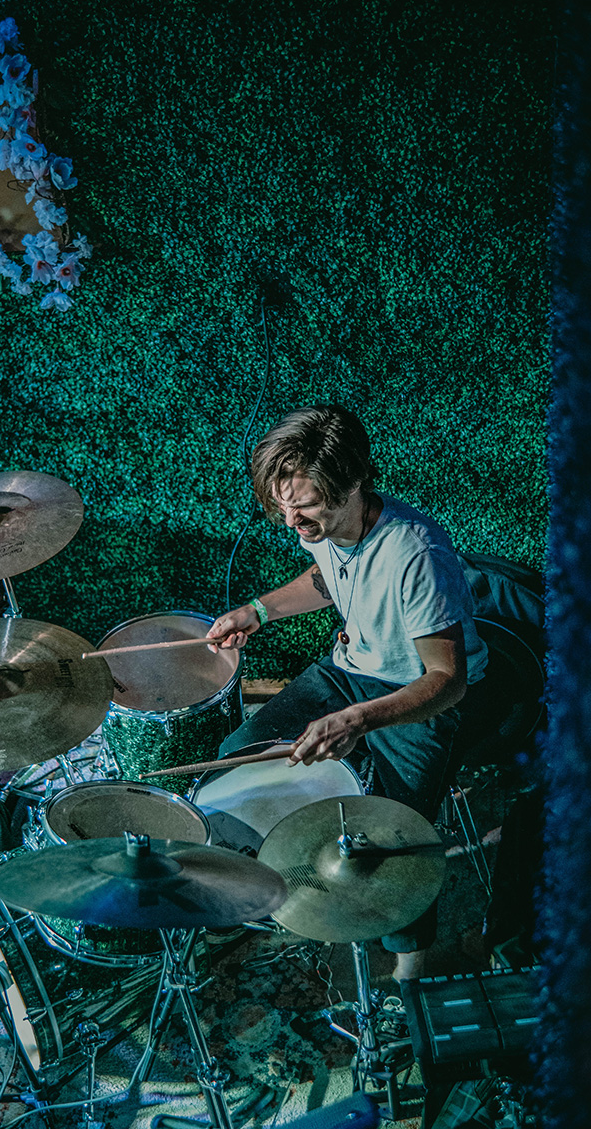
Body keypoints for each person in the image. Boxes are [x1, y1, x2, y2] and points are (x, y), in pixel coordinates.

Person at [207, 403, 489, 981]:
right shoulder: (325, 524)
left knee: (396, 836)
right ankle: (296, 882)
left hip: (417, 692)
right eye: (282, 505)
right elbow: (324, 578)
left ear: (354, 484)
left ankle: (411, 971)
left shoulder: (416, 555)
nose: (291, 521)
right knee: (240, 758)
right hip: (349, 669)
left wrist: (357, 720)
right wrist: (259, 610)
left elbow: (447, 680)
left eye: (306, 507)